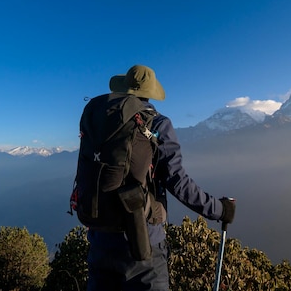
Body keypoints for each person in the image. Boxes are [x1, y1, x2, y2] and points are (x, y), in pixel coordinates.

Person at [85, 64, 236, 291]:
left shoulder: (101, 121)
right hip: (143, 243)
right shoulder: (156, 123)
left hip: (100, 239)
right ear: (149, 93)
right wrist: (218, 209)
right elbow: (176, 180)